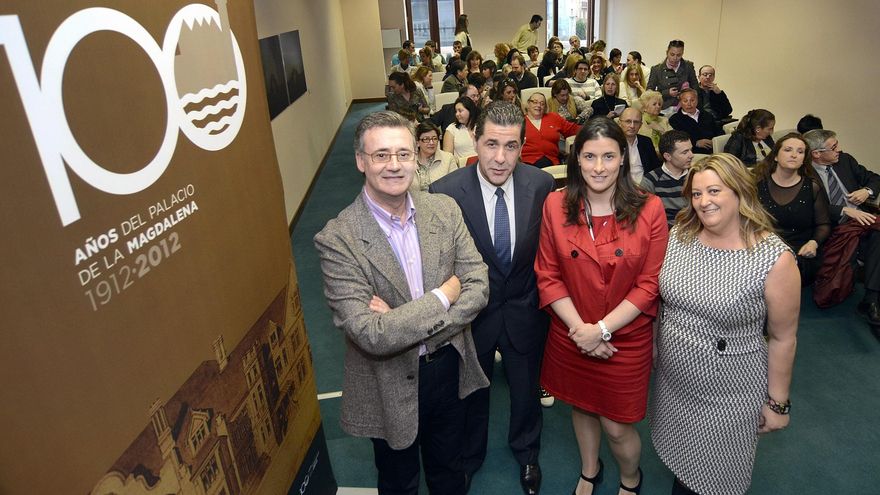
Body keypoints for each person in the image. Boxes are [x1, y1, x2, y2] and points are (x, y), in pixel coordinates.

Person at [314, 111, 490, 495]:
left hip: (448, 370)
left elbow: (478, 286)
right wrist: (443, 297)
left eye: (404, 154)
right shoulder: (338, 239)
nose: (394, 166)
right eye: (381, 155)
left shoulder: (444, 210)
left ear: (415, 157)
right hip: (387, 379)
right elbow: (370, 334)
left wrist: (399, 322)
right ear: (361, 161)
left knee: (449, 473)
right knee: (398, 482)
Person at [650, 153, 799, 495]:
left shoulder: (774, 259)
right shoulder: (680, 236)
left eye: (714, 191)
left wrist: (778, 403)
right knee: (683, 466)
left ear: (740, 193)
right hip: (674, 382)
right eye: (697, 194)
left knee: (716, 478)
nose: (704, 202)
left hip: (729, 393)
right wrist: (657, 346)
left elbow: (783, 337)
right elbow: (663, 304)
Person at [535, 117, 668, 495]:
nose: (598, 167)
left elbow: (649, 284)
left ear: (622, 159)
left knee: (616, 424)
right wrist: (583, 333)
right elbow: (547, 275)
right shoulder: (555, 205)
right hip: (571, 331)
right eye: (589, 156)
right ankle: (590, 470)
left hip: (625, 337)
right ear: (576, 159)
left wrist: (601, 330)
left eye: (608, 156)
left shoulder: (650, 208)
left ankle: (630, 479)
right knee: (581, 406)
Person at [431, 101, 555, 495]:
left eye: (511, 146)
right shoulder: (445, 192)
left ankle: (527, 453)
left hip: (524, 310)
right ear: (475, 140)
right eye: (491, 145)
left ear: (521, 145)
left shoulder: (541, 185)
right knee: (471, 395)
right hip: (472, 316)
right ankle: (470, 458)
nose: (501, 158)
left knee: (525, 394)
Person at [803, 129, 880, 317]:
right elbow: (807, 207)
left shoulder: (845, 160)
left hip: (864, 219)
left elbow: (874, 178)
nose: (840, 149)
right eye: (834, 147)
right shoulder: (805, 174)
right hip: (833, 225)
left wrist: (867, 191)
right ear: (817, 154)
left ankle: (871, 298)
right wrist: (843, 210)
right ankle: (871, 300)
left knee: (878, 235)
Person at [755, 133, 831, 285]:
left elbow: (824, 224)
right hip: (765, 250)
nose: (794, 155)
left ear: (804, 160)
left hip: (801, 252)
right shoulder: (757, 185)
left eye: (800, 152)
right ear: (776, 156)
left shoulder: (812, 187)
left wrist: (814, 243)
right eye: (788, 150)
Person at [640, 130, 694, 226]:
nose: (691, 155)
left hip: (696, 229)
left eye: (691, 150)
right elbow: (644, 216)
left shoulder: (696, 175)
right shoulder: (651, 180)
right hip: (666, 234)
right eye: (685, 152)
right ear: (668, 156)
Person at [521, 92, 580, 167]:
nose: (538, 105)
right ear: (528, 104)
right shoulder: (519, 121)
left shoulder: (553, 117)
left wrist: (593, 129)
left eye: (542, 103)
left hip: (552, 162)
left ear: (545, 107)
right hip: (527, 164)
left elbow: (572, 129)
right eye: (535, 102)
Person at [647, 40, 698, 110]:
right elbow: (649, 92)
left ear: (682, 54)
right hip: (663, 107)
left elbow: (695, 88)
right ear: (667, 52)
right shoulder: (657, 69)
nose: (675, 58)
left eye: (678, 55)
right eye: (672, 54)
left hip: (684, 108)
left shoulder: (688, 66)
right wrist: (666, 93)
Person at [669, 88, 722, 155]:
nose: (689, 104)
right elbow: (677, 142)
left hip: (714, 151)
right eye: (685, 101)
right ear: (680, 102)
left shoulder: (706, 115)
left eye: (692, 100)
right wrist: (695, 143)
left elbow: (719, 131)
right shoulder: (674, 120)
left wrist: (714, 141)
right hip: (691, 154)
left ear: (697, 100)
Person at [412, 121, 459, 193]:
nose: (431, 142)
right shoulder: (410, 160)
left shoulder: (448, 158)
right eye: (426, 139)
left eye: (434, 138)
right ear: (417, 142)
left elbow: (455, 186)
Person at [619, 107, 661, 185]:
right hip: (621, 189)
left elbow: (655, 168)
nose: (632, 126)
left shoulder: (646, 142)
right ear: (620, 123)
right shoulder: (613, 143)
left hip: (645, 188)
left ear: (641, 125)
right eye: (628, 121)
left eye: (636, 122)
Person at [443, 96, 480, 162]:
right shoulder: (451, 129)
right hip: (462, 168)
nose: (457, 114)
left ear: (470, 110)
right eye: (456, 111)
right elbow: (448, 158)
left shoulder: (480, 126)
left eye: (460, 111)